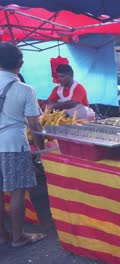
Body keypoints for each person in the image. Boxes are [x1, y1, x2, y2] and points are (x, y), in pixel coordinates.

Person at [0, 42, 47, 247]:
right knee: (17, 191)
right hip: (13, 145)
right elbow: (35, 124)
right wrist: (41, 149)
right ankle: (18, 237)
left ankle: (2, 236)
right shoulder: (25, 89)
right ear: (20, 63)